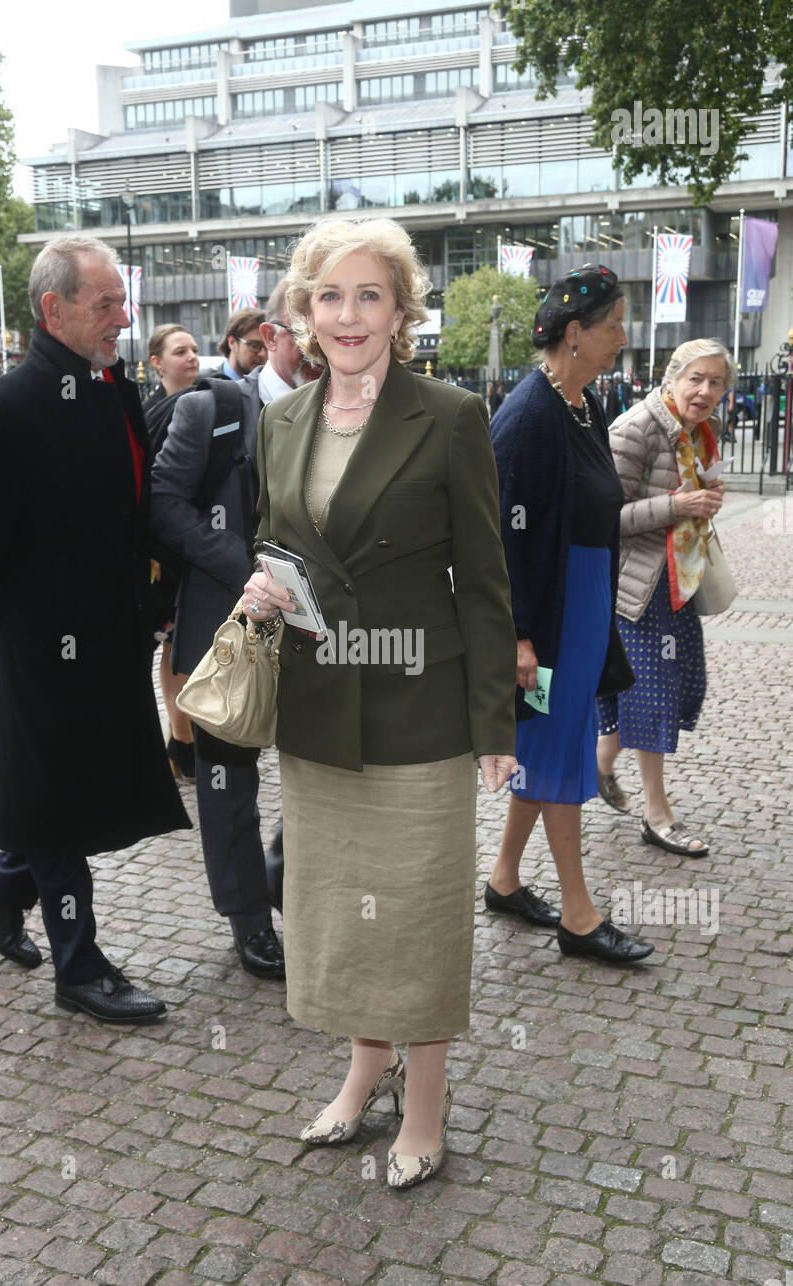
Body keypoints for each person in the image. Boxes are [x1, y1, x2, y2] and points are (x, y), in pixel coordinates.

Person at [241, 217, 518, 1190]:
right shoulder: (277, 419)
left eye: (370, 295)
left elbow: (485, 581)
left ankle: (428, 1100)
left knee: (419, 911)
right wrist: (262, 588)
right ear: (304, 312)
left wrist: (494, 724)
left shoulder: (450, 416)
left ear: (402, 310)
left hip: (419, 712)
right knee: (345, 915)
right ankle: (364, 1073)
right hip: (320, 714)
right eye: (330, 296)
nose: (348, 315)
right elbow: (280, 544)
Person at [0, 235, 190, 1021]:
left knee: (86, 790)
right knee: (55, 799)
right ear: (54, 310)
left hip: (113, 632)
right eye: (106, 304)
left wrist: (155, 592)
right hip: (42, 642)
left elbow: (136, 503)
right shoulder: (1, 408)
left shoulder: (113, 388)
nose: (123, 316)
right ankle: (79, 967)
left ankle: (2, 881)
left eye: (121, 301)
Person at [486, 264, 654, 966]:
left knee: (553, 748)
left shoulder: (582, 404)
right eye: (615, 323)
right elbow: (499, 535)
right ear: (576, 333)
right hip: (548, 617)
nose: (624, 336)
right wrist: (518, 634)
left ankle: (502, 881)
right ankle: (579, 918)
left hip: (579, 603)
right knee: (562, 759)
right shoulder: (529, 416)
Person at [150, 279, 313, 980]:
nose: (321, 338)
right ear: (273, 331)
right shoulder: (212, 409)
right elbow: (163, 501)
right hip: (227, 623)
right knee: (227, 780)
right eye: (305, 323)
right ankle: (248, 919)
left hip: (320, 632)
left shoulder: (353, 412)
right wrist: (248, 567)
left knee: (327, 765)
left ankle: (278, 867)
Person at [596, 339, 732, 855]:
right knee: (653, 693)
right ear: (672, 376)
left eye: (716, 382)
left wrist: (706, 501)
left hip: (678, 582)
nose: (705, 391)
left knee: (666, 685)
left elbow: (694, 494)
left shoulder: (703, 432)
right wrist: (677, 505)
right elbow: (604, 519)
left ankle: (602, 763)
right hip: (637, 588)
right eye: (696, 378)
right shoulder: (636, 427)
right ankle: (658, 815)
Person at [144, 323, 202, 783]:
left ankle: (189, 736)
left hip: (200, 542)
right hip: (163, 551)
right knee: (174, 644)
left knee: (195, 645)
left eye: (195, 350)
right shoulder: (146, 411)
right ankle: (181, 738)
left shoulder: (211, 400)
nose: (191, 357)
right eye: (180, 351)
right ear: (157, 362)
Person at [213, 309, 267, 380]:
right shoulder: (199, 384)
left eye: (267, 348)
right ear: (232, 343)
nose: (263, 354)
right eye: (254, 346)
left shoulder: (271, 386)